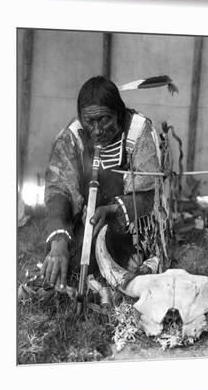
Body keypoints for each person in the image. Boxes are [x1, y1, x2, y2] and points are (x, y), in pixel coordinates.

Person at [40, 76, 162, 288]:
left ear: (119, 112)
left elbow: (149, 194)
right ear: (81, 117)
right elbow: (58, 190)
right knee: (73, 263)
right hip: (89, 218)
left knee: (124, 264)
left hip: (131, 223)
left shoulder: (137, 131)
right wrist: (59, 243)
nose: (97, 131)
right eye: (90, 121)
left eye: (104, 119)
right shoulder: (73, 135)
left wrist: (113, 210)